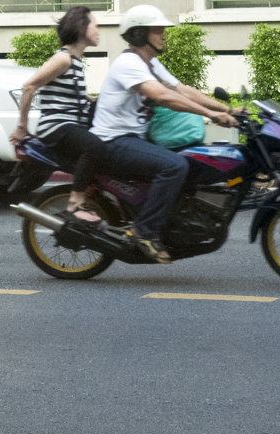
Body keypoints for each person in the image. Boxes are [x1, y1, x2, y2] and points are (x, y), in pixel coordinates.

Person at [90, 4, 237, 262]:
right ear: (139, 35)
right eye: (157, 30)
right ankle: (143, 230)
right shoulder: (128, 63)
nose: (163, 35)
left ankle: (174, 222)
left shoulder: (151, 63)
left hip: (134, 138)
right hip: (113, 141)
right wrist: (211, 115)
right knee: (174, 166)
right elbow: (163, 96)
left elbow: (182, 90)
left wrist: (229, 109)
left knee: (192, 160)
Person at [10, 6, 106, 221]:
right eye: (94, 25)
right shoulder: (63, 59)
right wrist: (22, 126)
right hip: (57, 127)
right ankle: (74, 204)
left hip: (72, 124)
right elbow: (29, 87)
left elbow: (80, 101)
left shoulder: (76, 62)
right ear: (81, 28)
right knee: (94, 147)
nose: (98, 30)